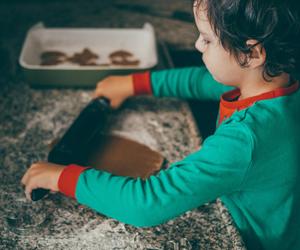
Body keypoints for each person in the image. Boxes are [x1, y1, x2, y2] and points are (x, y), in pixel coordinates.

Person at [21, 0, 300, 249]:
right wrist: (134, 83)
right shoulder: (281, 84)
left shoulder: (244, 140)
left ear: (251, 54)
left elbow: (147, 203)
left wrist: (62, 177)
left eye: (206, 39)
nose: (197, 45)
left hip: (253, 240)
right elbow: (201, 81)